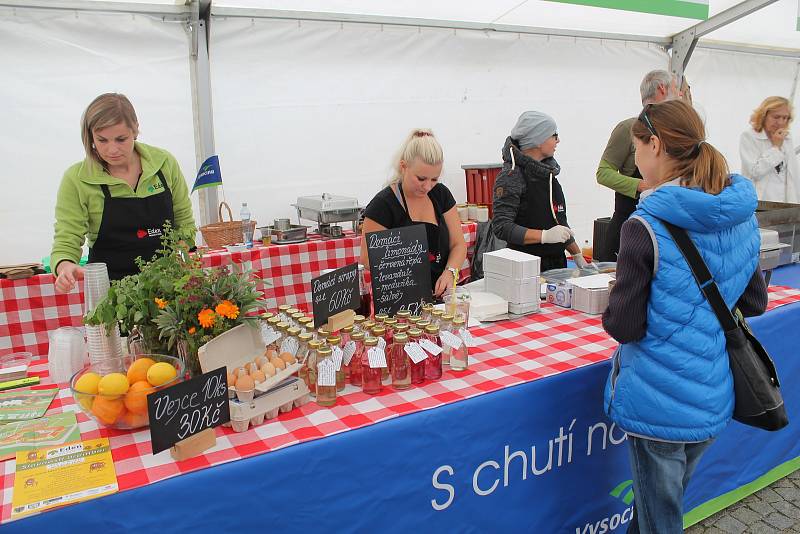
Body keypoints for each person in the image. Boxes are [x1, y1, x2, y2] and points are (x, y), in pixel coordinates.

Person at [602, 99, 768, 534]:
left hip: (658, 402)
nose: (634, 160)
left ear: (654, 145)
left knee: (660, 520)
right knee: (654, 511)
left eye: (636, 148)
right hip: (710, 394)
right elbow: (753, 302)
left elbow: (624, 325)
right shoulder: (739, 217)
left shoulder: (645, 226)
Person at [51, 93, 196, 292]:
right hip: (111, 295)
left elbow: (185, 226)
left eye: (121, 139)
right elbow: (66, 237)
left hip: (169, 290)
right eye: (102, 140)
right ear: (90, 136)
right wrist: (65, 266)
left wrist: (179, 262)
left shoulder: (163, 164)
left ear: (135, 128)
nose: (112, 150)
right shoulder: (77, 179)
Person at [361, 129, 467, 297]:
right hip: (400, 299)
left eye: (434, 179)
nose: (427, 187)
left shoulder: (441, 195)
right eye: (421, 178)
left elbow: (458, 244)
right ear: (404, 167)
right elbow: (367, 259)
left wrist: (450, 272)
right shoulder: (383, 205)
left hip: (440, 296)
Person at [594, 70, 682, 261]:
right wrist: (643, 186)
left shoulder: (676, 132)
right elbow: (603, 173)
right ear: (661, 88)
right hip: (626, 228)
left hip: (663, 231)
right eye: (676, 89)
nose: (680, 94)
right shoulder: (628, 128)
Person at [491, 111, 590, 272]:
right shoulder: (512, 176)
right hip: (524, 267)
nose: (558, 140)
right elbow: (502, 226)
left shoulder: (548, 174)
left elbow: (559, 222)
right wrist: (544, 236)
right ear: (538, 140)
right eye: (554, 135)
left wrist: (578, 255)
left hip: (557, 266)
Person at [739, 96, 799, 203]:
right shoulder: (749, 136)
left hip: (787, 204)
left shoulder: (787, 138)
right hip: (759, 203)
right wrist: (775, 148)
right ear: (763, 115)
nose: (781, 122)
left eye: (785, 118)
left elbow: (793, 176)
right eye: (776, 117)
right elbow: (754, 171)